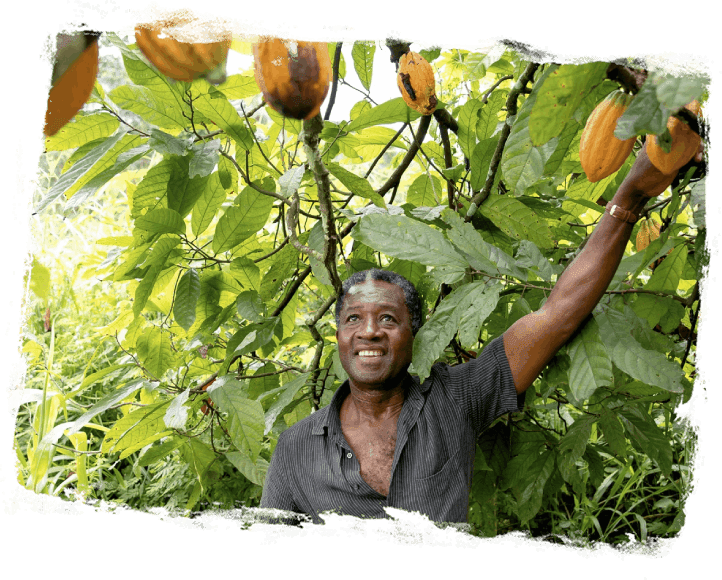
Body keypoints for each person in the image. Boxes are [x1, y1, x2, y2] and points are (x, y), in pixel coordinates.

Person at [251, 141, 703, 534]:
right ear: (338, 335)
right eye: (353, 320)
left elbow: (558, 314)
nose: (369, 331)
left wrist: (630, 195)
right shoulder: (296, 448)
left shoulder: (457, 398)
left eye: (388, 319)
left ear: (415, 332)